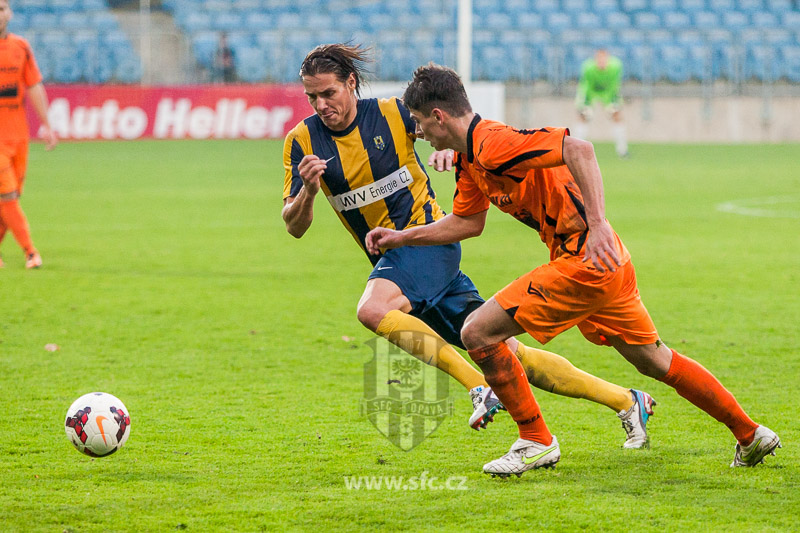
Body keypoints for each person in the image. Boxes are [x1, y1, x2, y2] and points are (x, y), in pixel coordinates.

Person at [365, 63, 780, 476]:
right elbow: (467, 222)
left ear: (439, 116)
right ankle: (750, 433)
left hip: (584, 258)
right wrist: (401, 238)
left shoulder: (493, 143)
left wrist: (597, 224)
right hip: (606, 261)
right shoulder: (469, 159)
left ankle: (536, 440)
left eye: (419, 122)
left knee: (477, 332)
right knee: (656, 361)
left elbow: (579, 149)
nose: (418, 132)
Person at [282, 44, 656, 445]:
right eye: (312, 97)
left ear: (350, 83)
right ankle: (626, 400)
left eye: (329, 93)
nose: (321, 104)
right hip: (398, 262)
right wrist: (309, 191)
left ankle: (479, 387)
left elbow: (447, 128)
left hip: (427, 240)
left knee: (372, 310)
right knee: (506, 350)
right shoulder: (302, 141)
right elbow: (294, 226)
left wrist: (450, 153)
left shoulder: (393, 113)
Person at [0, 0, 57, 269]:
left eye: (1, 8)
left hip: (18, 137)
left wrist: (46, 124)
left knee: (9, 199)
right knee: (7, 195)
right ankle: (31, 252)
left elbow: (33, 85)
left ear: (9, 13)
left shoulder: (20, 47)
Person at [573, 48, 628, 158]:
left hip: (608, 93)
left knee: (617, 116)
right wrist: (583, 103)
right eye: (599, 58)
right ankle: (575, 150)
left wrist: (616, 101)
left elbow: (615, 85)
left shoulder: (616, 66)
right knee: (583, 116)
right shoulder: (588, 68)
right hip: (591, 93)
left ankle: (622, 150)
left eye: (604, 58)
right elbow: (585, 85)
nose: (601, 61)